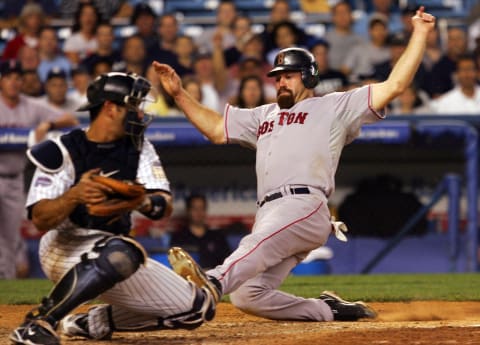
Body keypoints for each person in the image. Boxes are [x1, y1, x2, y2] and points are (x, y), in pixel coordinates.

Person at [155, 7, 436, 322]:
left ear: (309, 76)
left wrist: (421, 33)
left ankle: (212, 283)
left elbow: (395, 85)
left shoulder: (334, 106)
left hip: (305, 204)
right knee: (249, 296)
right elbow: (217, 129)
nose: (280, 83)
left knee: (255, 245)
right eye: (277, 77)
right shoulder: (264, 113)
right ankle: (327, 310)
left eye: (288, 75)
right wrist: (179, 94)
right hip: (269, 212)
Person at [9, 72, 217, 345]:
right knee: (123, 251)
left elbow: (162, 206)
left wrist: (140, 202)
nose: (140, 114)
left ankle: (90, 322)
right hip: (65, 246)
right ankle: (38, 323)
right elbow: (40, 219)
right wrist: (73, 196)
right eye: (133, 106)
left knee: (198, 308)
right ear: (110, 107)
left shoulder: (140, 148)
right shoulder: (63, 149)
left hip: (115, 249)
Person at [0, 60, 78, 280]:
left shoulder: (31, 105)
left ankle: (4, 287)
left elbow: (70, 118)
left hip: (15, 179)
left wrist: (48, 125)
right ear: (1, 81)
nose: (14, 82)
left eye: (18, 78)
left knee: (9, 239)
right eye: (9, 77)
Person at [170, 194, 232, 269]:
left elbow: (228, 263)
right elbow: (175, 265)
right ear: (188, 211)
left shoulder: (217, 237)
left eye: (202, 208)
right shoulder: (178, 237)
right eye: (195, 209)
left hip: (214, 278)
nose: (199, 213)